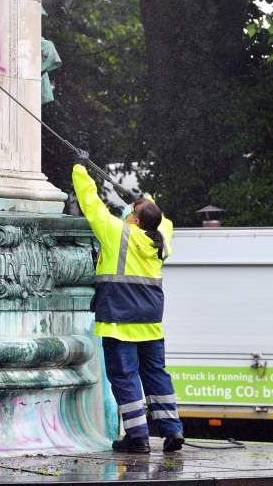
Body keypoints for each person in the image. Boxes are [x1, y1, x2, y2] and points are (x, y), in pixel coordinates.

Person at [71, 152, 184, 453]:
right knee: (156, 374)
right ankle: (173, 431)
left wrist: (81, 168)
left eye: (131, 210)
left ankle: (138, 438)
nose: (126, 213)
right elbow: (165, 221)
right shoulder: (161, 239)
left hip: (120, 322)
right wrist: (145, 198)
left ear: (133, 219)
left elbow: (91, 204)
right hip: (150, 323)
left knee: (125, 378)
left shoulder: (116, 234)